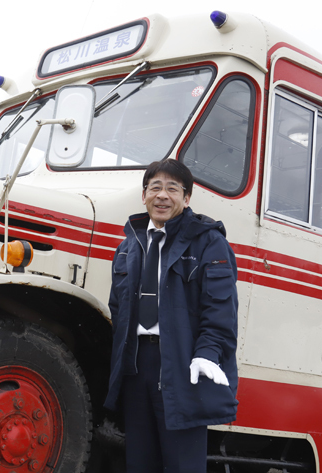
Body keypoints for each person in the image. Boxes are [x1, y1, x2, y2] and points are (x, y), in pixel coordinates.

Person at [104, 159, 238, 473]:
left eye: (172, 189)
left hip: (183, 367)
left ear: (186, 198)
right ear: (143, 195)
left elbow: (220, 309)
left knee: (182, 465)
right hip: (137, 370)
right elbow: (117, 309)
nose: (162, 196)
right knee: (139, 463)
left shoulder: (209, 242)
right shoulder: (128, 247)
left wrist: (207, 354)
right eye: (155, 188)